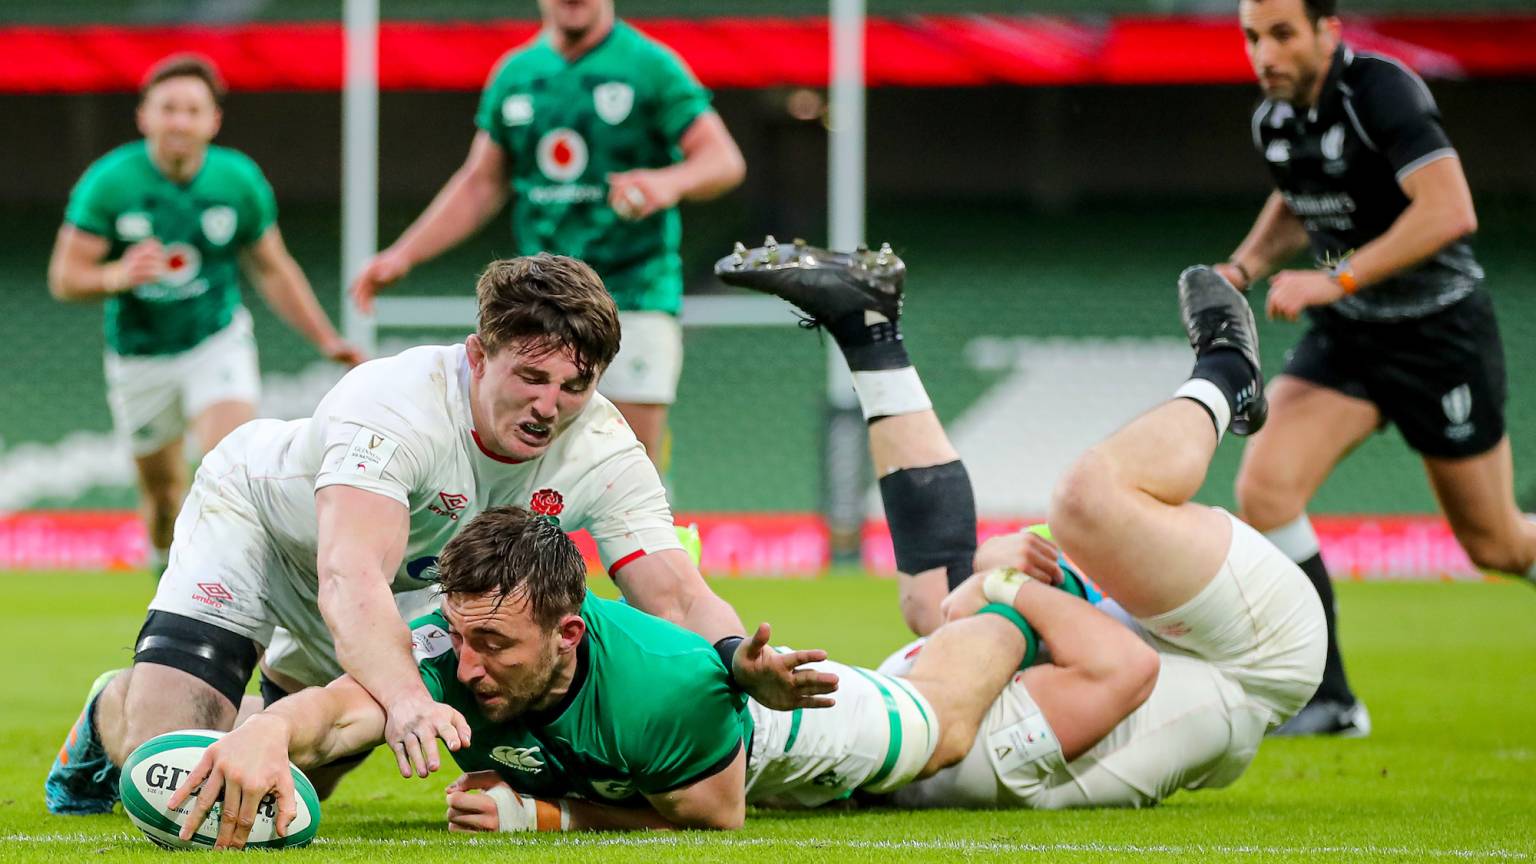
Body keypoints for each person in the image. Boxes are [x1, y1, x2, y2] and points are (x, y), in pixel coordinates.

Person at [44, 254, 834, 817]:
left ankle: (258, 719)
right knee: (172, 766)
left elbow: (672, 585)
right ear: (478, 355)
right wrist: (406, 703)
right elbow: (349, 572)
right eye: (530, 376)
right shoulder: (396, 406)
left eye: (574, 386)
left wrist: (738, 659)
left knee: (288, 772)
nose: (550, 405)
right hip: (261, 530)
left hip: (399, 585)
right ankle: (110, 708)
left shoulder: (602, 445)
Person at [713, 242, 1326, 809]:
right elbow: (1118, 664)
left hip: (1166, 642)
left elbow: (985, 612)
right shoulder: (969, 758)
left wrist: (993, 579)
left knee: (935, 605)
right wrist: (1003, 583)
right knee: (1085, 505)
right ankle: (1227, 371)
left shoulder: (916, 714)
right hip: (1258, 651)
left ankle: (868, 330)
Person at [1214, 0, 1529, 736]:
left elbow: (1450, 208)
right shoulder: (1274, 121)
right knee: (1264, 488)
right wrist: (1244, 265)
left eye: (1283, 34)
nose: (1265, 55)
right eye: (1252, 37)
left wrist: (1338, 277)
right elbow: (1299, 201)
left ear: (1330, 29)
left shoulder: (1382, 91)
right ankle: (1328, 700)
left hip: (1439, 333)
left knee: (1496, 544)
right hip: (1352, 338)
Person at [350, 0, 746, 467]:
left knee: (631, 464)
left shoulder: (650, 66)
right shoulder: (516, 74)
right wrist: (404, 255)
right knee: (517, 463)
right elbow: (481, 181)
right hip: (540, 303)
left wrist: (666, 182)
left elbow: (724, 160)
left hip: (634, 295)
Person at [46, 54, 364, 579]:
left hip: (215, 339)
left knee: (231, 465)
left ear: (212, 121)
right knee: (163, 494)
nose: (179, 121)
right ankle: (163, 575)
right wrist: (116, 275)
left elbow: (273, 269)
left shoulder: (237, 181)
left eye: (192, 110)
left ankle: (235, 596)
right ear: (144, 116)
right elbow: (65, 277)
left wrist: (325, 337)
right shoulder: (109, 184)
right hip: (140, 355)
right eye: (168, 108)